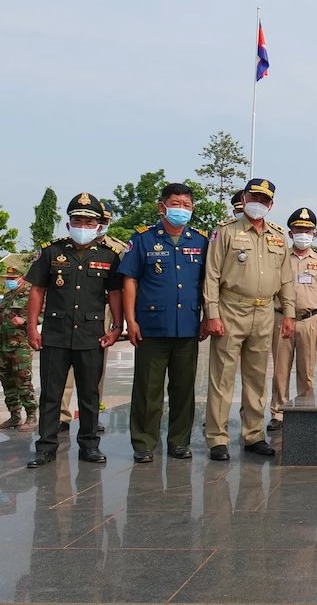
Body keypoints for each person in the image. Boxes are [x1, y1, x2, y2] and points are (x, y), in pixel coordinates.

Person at [25, 193, 124, 468]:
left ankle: (89, 445)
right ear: (68, 224)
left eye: (89, 221)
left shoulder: (110, 255)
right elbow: (37, 291)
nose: (83, 225)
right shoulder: (51, 251)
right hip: (55, 334)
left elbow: (115, 293)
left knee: (89, 394)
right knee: (51, 394)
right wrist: (32, 328)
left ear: (99, 226)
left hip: (92, 335)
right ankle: (45, 447)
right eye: (78, 220)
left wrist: (117, 326)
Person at [203, 177, 296, 462]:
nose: (259, 203)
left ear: (272, 204)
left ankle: (253, 434)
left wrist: (289, 313)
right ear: (244, 198)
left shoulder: (278, 236)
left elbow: (286, 279)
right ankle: (217, 438)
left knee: (257, 378)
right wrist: (212, 314)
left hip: (265, 312)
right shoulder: (226, 232)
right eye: (254, 197)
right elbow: (212, 275)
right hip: (232, 309)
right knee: (222, 377)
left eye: (265, 200)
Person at [120, 182, 209, 463]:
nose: (181, 210)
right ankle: (144, 443)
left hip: (187, 326)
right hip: (151, 327)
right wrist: (130, 320)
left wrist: (208, 317)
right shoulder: (144, 238)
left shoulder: (200, 240)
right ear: (162, 206)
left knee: (184, 389)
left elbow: (209, 282)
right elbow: (130, 280)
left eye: (186, 205)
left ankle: (179, 441)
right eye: (175, 204)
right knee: (148, 389)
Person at [60, 200, 125, 432]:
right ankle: (61, 415)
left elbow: (121, 286)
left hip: (102, 309)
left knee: (95, 367)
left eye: (104, 221)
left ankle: (91, 414)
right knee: (62, 367)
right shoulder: (64, 247)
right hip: (68, 312)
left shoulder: (117, 249)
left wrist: (120, 322)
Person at [267, 207, 317, 431]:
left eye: (307, 230)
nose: (303, 233)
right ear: (290, 233)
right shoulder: (279, 257)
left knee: (306, 372)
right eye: (298, 229)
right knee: (280, 370)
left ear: (314, 233)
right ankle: (278, 414)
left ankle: (305, 410)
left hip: (310, 321)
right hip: (281, 319)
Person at [0, 267, 37, 432]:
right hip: (4, 346)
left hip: (21, 346)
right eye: (8, 277)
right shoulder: (8, 296)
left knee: (23, 381)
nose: (9, 280)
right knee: (7, 381)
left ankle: (31, 416)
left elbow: (41, 316)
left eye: (13, 277)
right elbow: (2, 317)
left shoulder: (30, 295)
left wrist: (24, 321)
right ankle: (14, 416)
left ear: (22, 278)